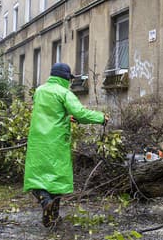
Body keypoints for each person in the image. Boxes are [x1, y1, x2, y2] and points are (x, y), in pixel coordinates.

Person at [24, 62, 107, 227]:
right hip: (56, 142)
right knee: (57, 179)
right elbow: (80, 114)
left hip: (38, 141)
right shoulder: (64, 93)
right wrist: (101, 118)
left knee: (36, 177)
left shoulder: (39, 91)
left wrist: (65, 117)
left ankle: (50, 214)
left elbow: (48, 112)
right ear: (65, 78)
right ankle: (48, 204)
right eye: (69, 79)